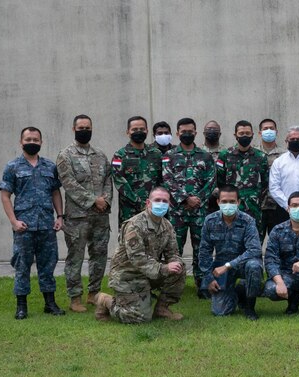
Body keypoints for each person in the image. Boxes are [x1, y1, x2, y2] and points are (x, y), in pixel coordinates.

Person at [0, 126, 65, 319]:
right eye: (28, 139)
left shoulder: (49, 166)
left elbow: (55, 192)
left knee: (48, 264)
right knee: (22, 265)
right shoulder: (13, 166)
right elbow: (5, 196)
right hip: (24, 226)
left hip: (46, 225)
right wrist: (13, 222)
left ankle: (50, 303)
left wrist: (60, 216)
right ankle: (21, 306)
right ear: (21, 142)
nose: (32, 143)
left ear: (41, 142)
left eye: (35, 140)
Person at [94, 187, 186, 323]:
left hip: (149, 272)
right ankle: (105, 301)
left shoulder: (167, 226)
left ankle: (162, 308)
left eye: (165, 201)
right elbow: (137, 259)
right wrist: (164, 268)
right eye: (157, 200)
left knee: (179, 268)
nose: (161, 203)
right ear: (148, 203)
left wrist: (175, 263)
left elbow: (173, 253)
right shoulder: (135, 225)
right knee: (140, 318)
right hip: (127, 275)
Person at [56, 114, 113, 313]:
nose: (84, 130)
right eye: (81, 127)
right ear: (74, 129)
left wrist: (105, 200)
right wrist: (93, 200)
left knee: (99, 255)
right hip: (77, 217)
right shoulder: (65, 155)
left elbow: (108, 180)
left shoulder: (100, 155)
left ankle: (93, 293)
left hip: (100, 216)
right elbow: (68, 183)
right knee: (76, 258)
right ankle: (75, 298)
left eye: (87, 127)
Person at [162, 118, 215, 299]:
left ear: (195, 132)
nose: (187, 134)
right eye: (183, 131)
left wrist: (197, 199)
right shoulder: (169, 156)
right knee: (174, 248)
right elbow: (167, 180)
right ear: (177, 133)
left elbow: (211, 181)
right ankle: (173, 286)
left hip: (199, 212)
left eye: (190, 131)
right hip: (177, 212)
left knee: (201, 248)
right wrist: (185, 199)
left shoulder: (205, 156)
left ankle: (203, 285)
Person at [198, 185, 263, 320]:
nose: (228, 205)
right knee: (220, 312)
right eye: (224, 202)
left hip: (243, 263)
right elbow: (204, 252)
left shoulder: (247, 221)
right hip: (220, 265)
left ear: (238, 202)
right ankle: (238, 293)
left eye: (232, 202)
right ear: (218, 202)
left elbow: (254, 250)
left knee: (254, 266)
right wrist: (209, 279)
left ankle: (250, 307)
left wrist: (228, 265)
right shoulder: (210, 221)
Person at [216, 120, 269, 240]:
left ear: (252, 135)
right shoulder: (225, 155)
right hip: (232, 207)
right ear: (235, 135)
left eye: (247, 133)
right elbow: (219, 180)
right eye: (241, 133)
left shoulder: (260, 157)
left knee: (254, 241)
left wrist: (257, 200)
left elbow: (266, 183)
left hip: (253, 207)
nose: (244, 136)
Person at [112, 116, 162, 226]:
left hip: (154, 210)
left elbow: (161, 181)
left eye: (142, 129)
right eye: (134, 130)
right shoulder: (120, 155)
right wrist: (139, 202)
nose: (138, 132)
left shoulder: (156, 154)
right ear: (128, 132)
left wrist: (156, 202)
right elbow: (119, 181)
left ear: (147, 131)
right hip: (129, 212)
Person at [257, 118, 286, 236]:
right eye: (265, 129)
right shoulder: (254, 153)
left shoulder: (285, 154)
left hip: (278, 206)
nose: (268, 131)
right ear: (260, 133)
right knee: (255, 244)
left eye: (271, 128)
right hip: (258, 206)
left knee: (280, 243)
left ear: (276, 131)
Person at [202, 120, 223, 214]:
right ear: (204, 133)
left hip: (222, 200)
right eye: (209, 129)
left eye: (215, 130)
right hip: (202, 200)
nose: (212, 131)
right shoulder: (198, 153)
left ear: (220, 134)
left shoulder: (226, 153)